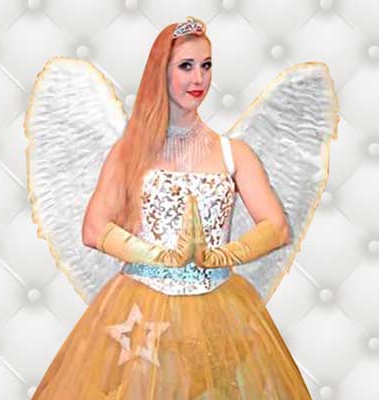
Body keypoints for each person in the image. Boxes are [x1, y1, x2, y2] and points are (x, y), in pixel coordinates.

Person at [31, 16, 313, 399]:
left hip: (218, 304)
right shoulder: (131, 151)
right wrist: (159, 256)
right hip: (142, 307)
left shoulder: (234, 153)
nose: (199, 78)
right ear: (161, 71)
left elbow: (276, 226)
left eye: (206, 65)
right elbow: (94, 228)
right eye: (186, 66)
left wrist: (224, 254)